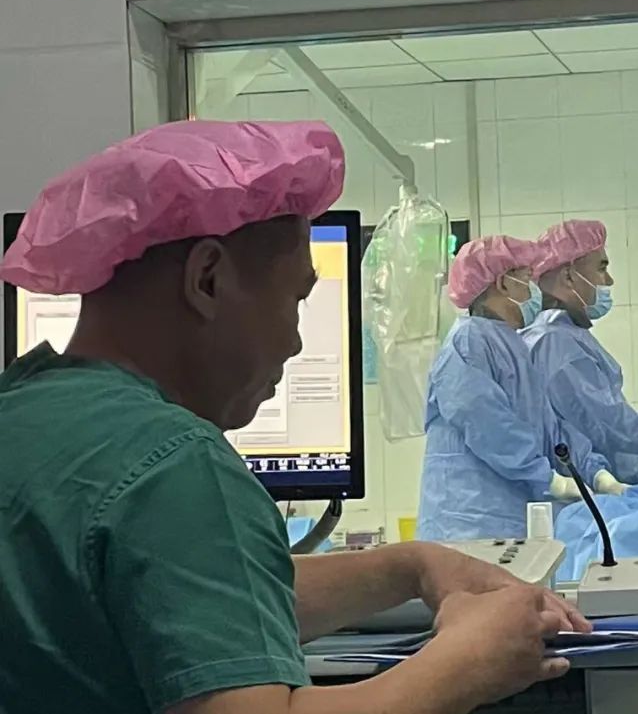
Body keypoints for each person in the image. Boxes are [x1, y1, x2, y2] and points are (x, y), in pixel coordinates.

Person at [0, 121, 589, 714]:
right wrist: (467, 664)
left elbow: (194, 595)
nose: (296, 341)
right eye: (295, 299)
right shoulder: (173, 464)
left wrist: (411, 566)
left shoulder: (24, 415)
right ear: (207, 279)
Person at [418, 235, 622, 542]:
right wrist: (549, 479)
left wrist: (594, 471)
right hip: (470, 521)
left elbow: (548, 427)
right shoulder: (469, 342)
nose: (535, 291)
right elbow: (487, 424)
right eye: (527, 279)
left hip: (508, 520)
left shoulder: (511, 344)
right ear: (503, 283)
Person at [524, 219, 638, 483]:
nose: (609, 280)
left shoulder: (563, 334)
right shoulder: (554, 343)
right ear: (569, 276)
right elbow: (605, 423)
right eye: (602, 268)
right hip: (593, 494)